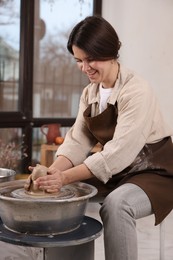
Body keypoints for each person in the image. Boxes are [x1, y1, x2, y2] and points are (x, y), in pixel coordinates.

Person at [26, 16, 173, 260]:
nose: (85, 68)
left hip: (155, 170)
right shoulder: (90, 92)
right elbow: (76, 140)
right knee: (64, 194)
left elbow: (119, 153)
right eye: (79, 60)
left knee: (117, 205)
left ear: (111, 52)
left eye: (91, 59)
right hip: (118, 170)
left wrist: (64, 177)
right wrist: (52, 173)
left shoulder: (137, 90)